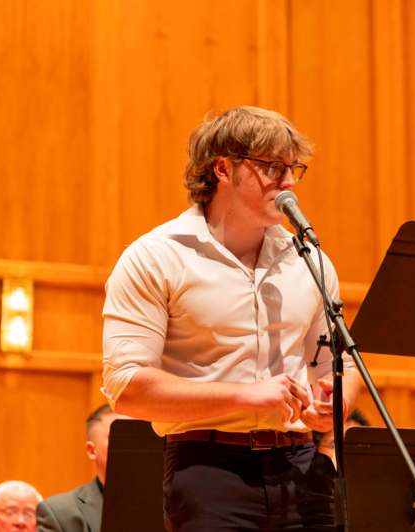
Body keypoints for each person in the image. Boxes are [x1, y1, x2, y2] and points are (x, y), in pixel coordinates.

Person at [102, 106, 361, 531]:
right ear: (223, 168)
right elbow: (128, 387)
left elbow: (343, 365)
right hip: (208, 468)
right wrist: (246, 396)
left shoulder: (308, 259)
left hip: (302, 464)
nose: (289, 183)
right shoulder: (155, 258)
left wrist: (335, 399)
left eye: (294, 168)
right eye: (272, 167)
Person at [36, 404, 126, 532]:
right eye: (120, 436)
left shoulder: (163, 505)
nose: (131, 443)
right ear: (91, 450)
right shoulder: (59, 513)